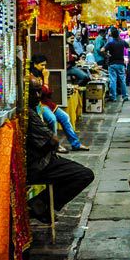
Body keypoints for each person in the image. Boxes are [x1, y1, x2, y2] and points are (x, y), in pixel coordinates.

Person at [26, 80, 95, 223]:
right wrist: (48, 148)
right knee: (84, 175)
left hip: (42, 159)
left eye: (39, 92)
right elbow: (53, 141)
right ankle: (40, 202)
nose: (38, 95)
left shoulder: (32, 109)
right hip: (38, 165)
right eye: (35, 92)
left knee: (63, 117)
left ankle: (41, 203)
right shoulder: (29, 114)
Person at [30, 55, 91, 152]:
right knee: (52, 120)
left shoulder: (40, 74)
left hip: (48, 103)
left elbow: (48, 92)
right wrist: (46, 79)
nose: (44, 68)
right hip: (39, 104)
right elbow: (43, 92)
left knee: (65, 117)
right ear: (34, 64)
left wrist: (45, 83)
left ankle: (75, 144)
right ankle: (55, 145)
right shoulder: (31, 76)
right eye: (42, 65)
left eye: (45, 65)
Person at [101, 27, 129, 102]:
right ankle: (125, 96)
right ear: (118, 34)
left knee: (113, 80)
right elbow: (128, 46)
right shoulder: (122, 42)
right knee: (122, 80)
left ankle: (113, 97)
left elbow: (102, 50)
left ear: (112, 35)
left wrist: (107, 54)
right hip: (121, 64)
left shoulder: (110, 43)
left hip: (112, 63)